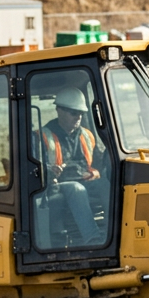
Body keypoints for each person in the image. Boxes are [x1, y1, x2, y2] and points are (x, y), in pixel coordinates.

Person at [38, 87, 106, 245]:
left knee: (106, 185)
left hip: (85, 181)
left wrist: (96, 173)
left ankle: (113, 231)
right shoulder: (42, 136)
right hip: (58, 185)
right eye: (73, 113)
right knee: (76, 189)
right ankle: (93, 238)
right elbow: (35, 167)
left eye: (81, 113)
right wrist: (49, 170)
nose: (78, 117)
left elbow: (97, 162)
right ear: (59, 110)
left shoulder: (87, 135)